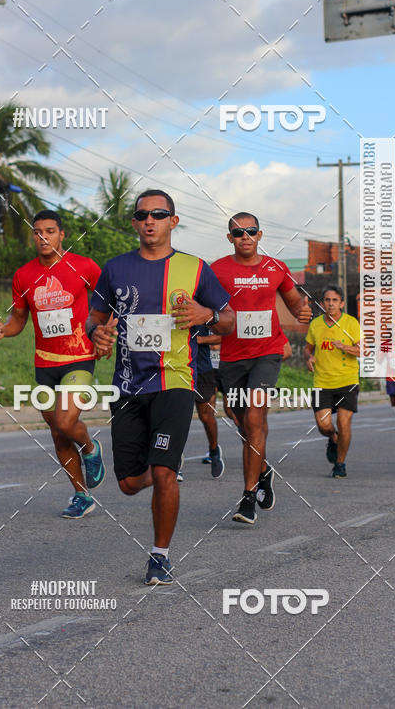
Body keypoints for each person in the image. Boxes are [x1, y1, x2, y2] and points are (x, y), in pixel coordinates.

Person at [86, 190, 234, 584]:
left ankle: (160, 555)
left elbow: (229, 320)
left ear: (173, 220)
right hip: (128, 385)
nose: (150, 220)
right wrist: (97, 334)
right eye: (142, 214)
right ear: (134, 223)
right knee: (129, 483)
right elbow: (94, 318)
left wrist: (208, 313)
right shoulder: (115, 269)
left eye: (159, 213)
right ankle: (163, 463)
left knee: (164, 472)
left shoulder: (196, 268)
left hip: (176, 381)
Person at [0, 210, 105, 518]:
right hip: (45, 363)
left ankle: (91, 449)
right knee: (57, 431)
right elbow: (18, 321)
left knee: (67, 422)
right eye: (38, 232)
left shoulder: (84, 266)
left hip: (79, 356)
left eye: (50, 231)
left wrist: (107, 330)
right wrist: (4, 331)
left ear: (61, 235)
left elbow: (107, 302)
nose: (43, 237)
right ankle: (82, 495)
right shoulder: (23, 275)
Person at [211, 213, 312, 525]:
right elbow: (206, 304)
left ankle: (248, 497)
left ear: (260, 234)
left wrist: (302, 311)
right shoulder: (217, 270)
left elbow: (295, 303)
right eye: (238, 232)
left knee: (255, 419)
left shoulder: (275, 268)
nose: (245, 237)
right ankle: (264, 470)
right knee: (240, 420)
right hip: (232, 355)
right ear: (230, 237)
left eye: (250, 231)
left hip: (267, 353)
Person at [304, 285, 361, 478]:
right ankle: (333, 437)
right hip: (322, 382)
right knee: (324, 425)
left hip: (347, 380)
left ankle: (340, 463)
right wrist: (309, 358)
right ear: (322, 304)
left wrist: (344, 346)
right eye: (327, 300)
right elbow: (307, 349)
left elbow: (363, 351)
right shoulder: (316, 325)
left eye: (335, 300)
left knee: (344, 423)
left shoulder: (351, 323)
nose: (331, 304)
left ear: (342, 303)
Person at [183, 325, 224, 480]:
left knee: (206, 416)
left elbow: (222, 336)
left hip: (202, 368)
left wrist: (198, 340)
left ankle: (214, 450)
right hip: (177, 369)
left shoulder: (205, 304)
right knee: (177, 418)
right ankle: (174, 463)